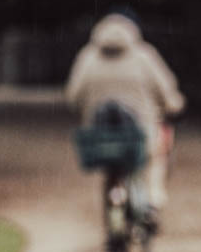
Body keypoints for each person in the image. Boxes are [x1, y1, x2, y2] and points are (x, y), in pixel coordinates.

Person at [64, 12, 185, 225]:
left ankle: (114, 221)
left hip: (100, 135)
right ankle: (152, 201)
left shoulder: (88, 57)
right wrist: (174, 105)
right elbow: (167, 92)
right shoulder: (144, 57)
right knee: (157, 155)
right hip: (140, 133)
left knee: (113, 164)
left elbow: (73, 96)